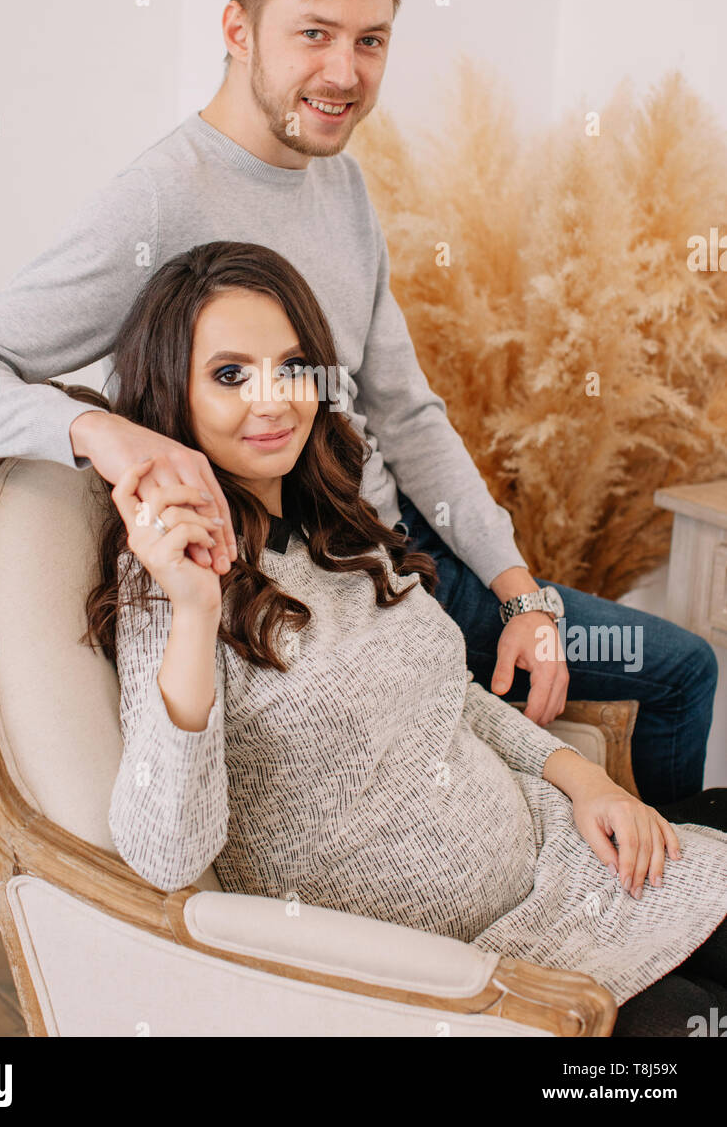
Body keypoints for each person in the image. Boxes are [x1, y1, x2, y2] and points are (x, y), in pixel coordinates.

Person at [0, 0, 717, 806]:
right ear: (237, 31)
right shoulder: (161, 200)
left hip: (404, 555)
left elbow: (405, 411)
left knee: (677, 667)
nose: (344, 72)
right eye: (313, 35)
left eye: (371, 41)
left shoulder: (341, 183)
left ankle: (648, 902)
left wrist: (521, 593)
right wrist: (101, 432)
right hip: (313, 587)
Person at [93, 240, 727, 1037]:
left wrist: (587, 784)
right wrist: (192, 611)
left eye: (294, 367)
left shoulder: (338, 528)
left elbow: (447, 700)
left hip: (557, 860)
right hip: (460, 973)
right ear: (170, 398)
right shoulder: (169, 585)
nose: (275, 400)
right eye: (229, 375)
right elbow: (166, 854)